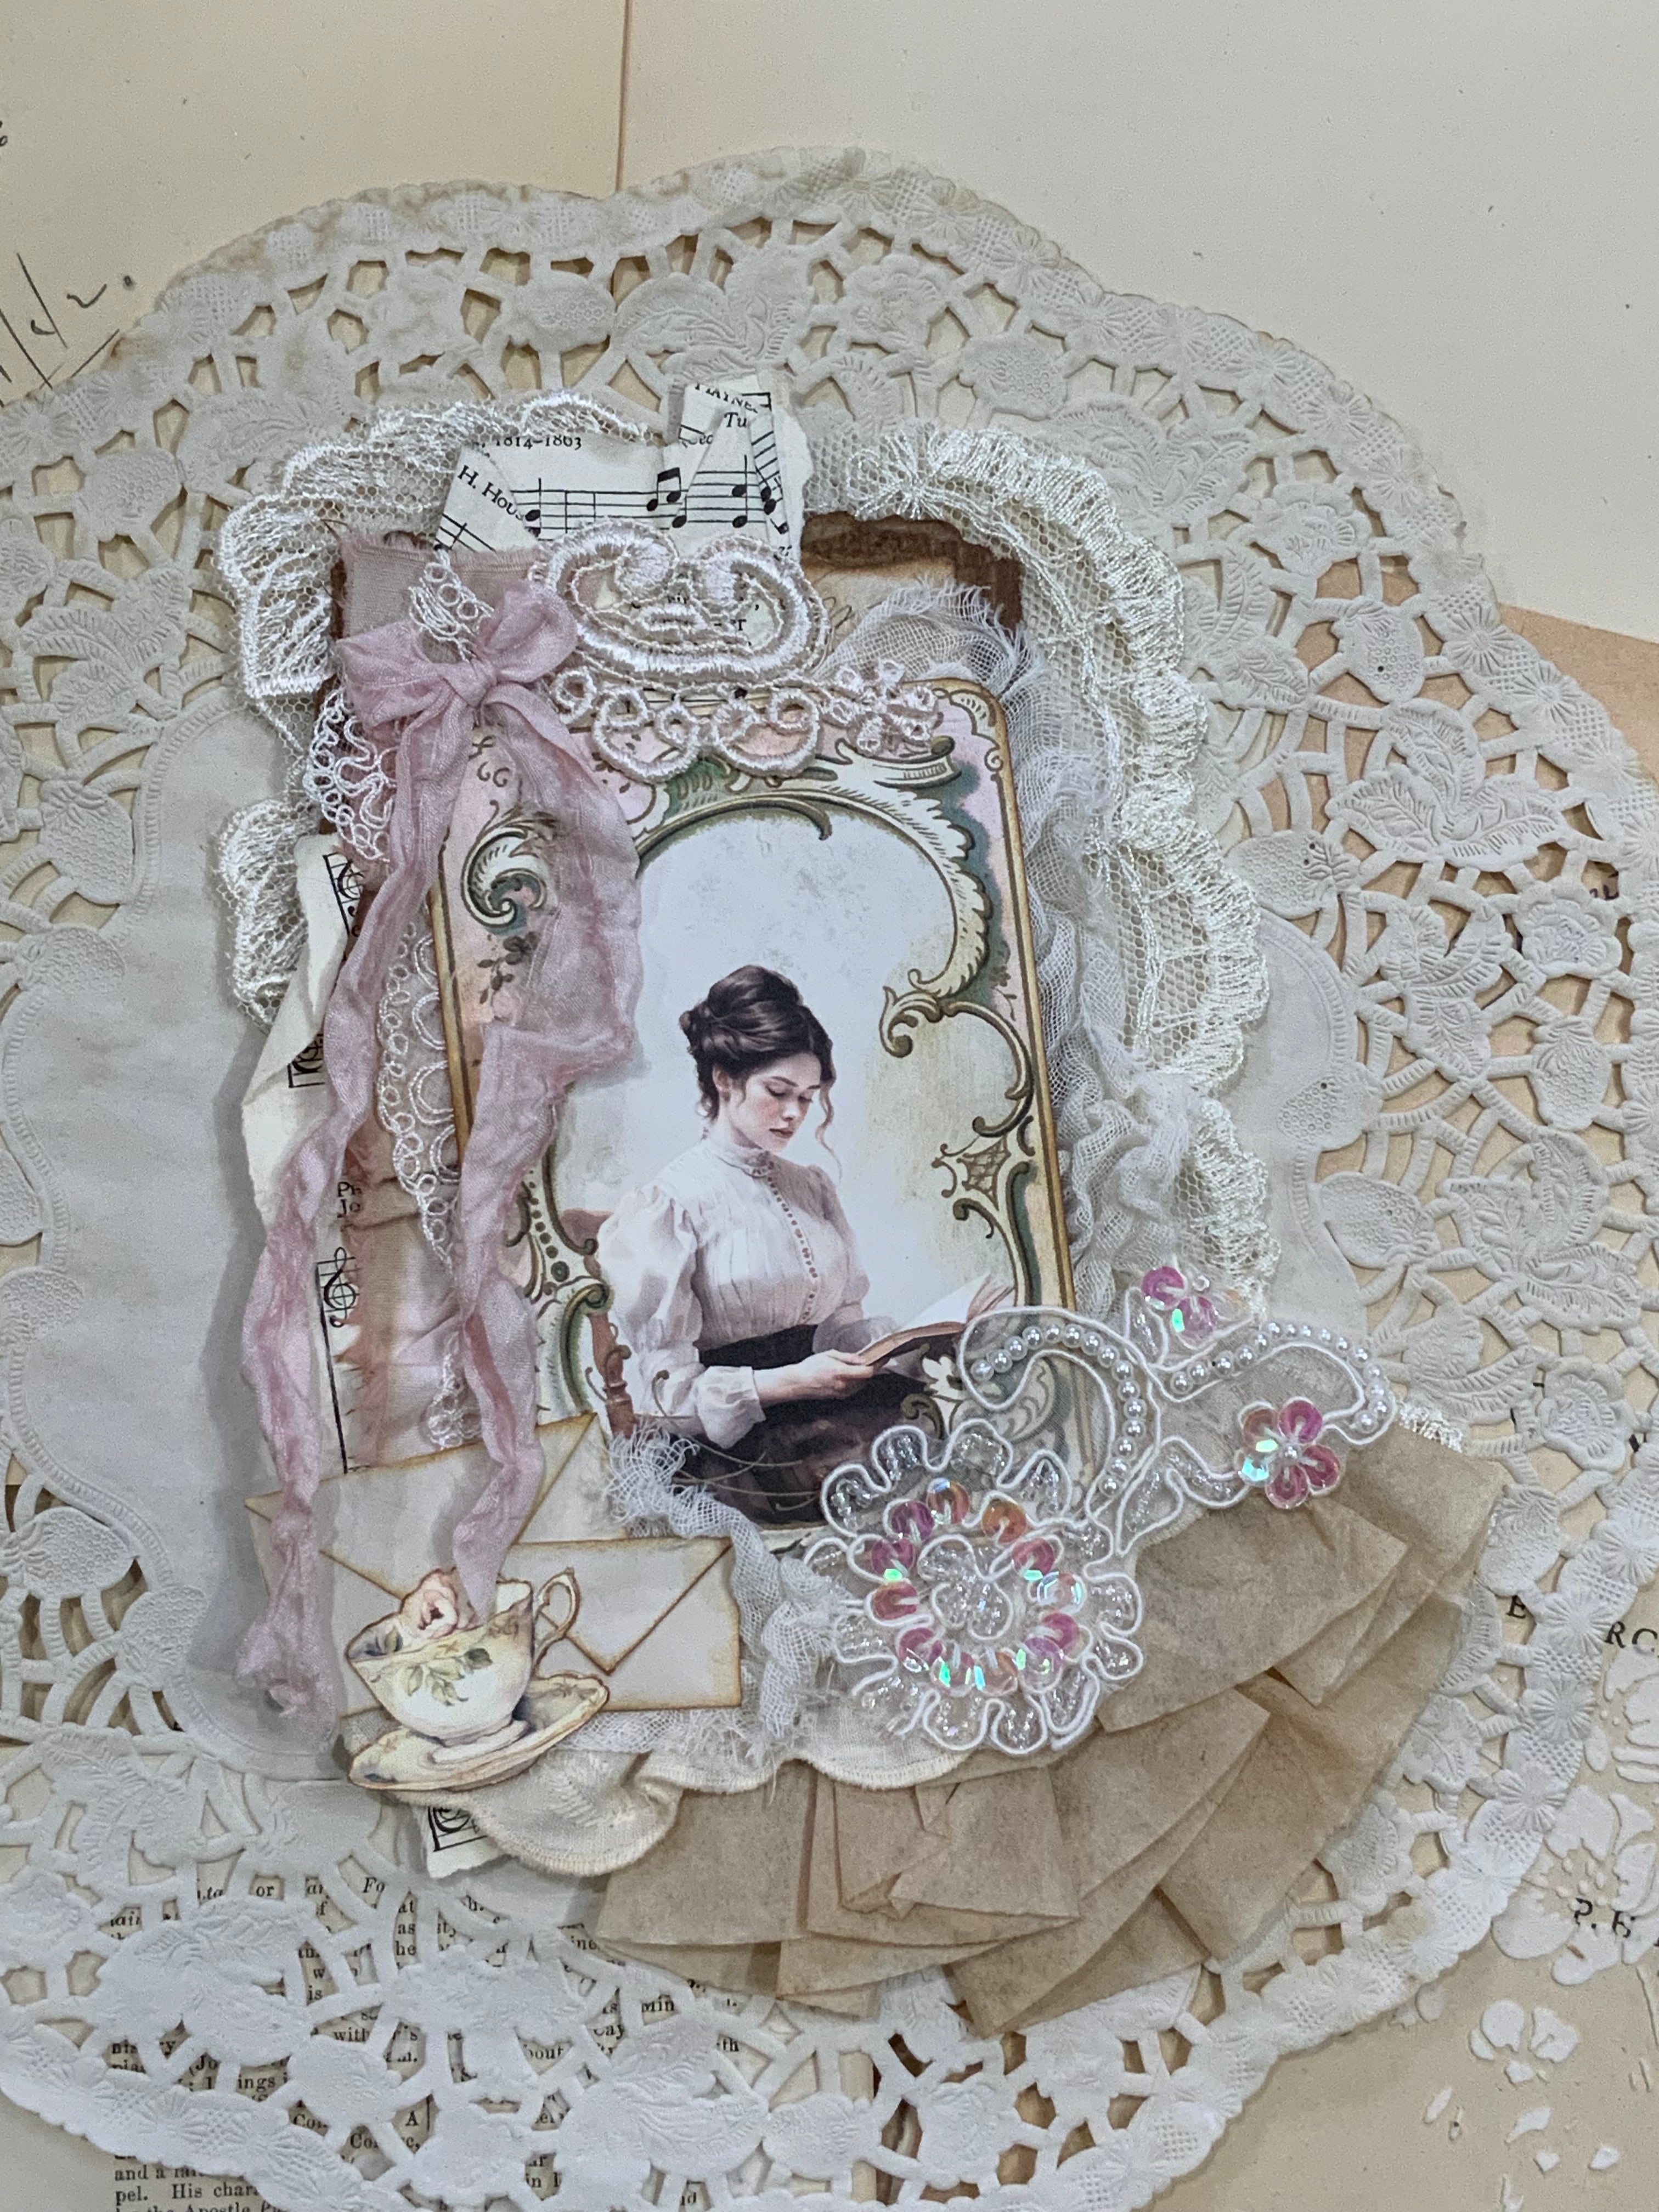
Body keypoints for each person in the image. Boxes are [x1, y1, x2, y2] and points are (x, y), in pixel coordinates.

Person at [596, 964, 915, 1525]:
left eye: (808, 1098)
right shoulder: (670, 1204)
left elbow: (840, 1329)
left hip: (827, 1413)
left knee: (927, 1441)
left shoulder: (811, 1188)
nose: (794, 1114)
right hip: (738, 1446)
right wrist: (789, 1382)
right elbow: (664, 1396)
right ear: (724, 1078)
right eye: (778, 1092)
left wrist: (916, 1341)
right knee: (882, 1479)